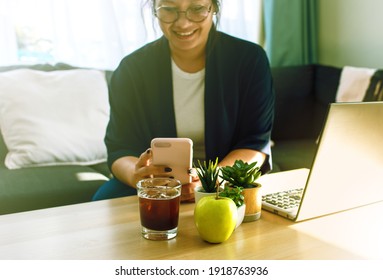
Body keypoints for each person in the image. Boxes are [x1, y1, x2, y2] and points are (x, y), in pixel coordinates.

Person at [92, 0, 275, 202]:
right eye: (169, 10)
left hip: (225, 179)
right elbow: (120, 148)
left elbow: (255, 144)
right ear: (154, 9)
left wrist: (210, 180)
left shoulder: (250, 60)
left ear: (214, 7)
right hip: (153, 186)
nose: (183, 24)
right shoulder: (131, 70)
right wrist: (137, 176)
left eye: (196, 9)